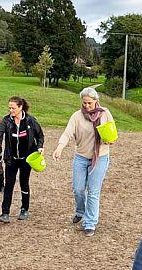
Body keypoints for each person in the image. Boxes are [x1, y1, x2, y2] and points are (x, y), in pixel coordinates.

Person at [53, 87, 115, 237]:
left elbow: (112, 133)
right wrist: (59, 148)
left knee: (93, 191)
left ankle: (90, 223)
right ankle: (80, 211)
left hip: (100, 156)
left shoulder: (105, 114)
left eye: (89, 103)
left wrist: (110, 139)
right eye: (84, 103)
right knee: (78, 189)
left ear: (96, 101)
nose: (86, 106)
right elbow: (67, 133)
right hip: (81, 156)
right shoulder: (76, 116)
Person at [0, 96, 44, 223]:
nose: (10, 110)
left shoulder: (30, 121)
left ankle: (24, 208)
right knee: (8, 185)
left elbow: (40, 135)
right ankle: (5, 213)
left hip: (26, 159)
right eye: (9, 108)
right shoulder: (6, 121)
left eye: (13, 108)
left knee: (24, 183)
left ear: (20, 107)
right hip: (11, 159)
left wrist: (40, 147)